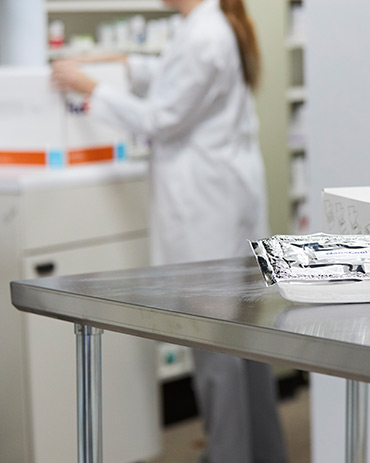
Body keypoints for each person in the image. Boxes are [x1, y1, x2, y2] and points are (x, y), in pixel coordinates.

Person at [51, 1, 288, 462]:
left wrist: (91, 89)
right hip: (224, 197)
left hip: (207, 207)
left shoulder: (204, 35)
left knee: (215, 348)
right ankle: (262, 452)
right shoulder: (205, 26)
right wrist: (121, 64)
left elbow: (158, 118)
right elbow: (171, 75)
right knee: (244, 344)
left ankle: (228, 454)